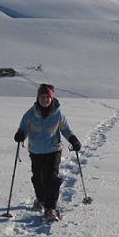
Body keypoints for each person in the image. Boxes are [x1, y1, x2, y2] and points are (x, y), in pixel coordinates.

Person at [14, 84, 81, 221]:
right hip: (36, 151)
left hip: (53, 150)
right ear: (38, 98)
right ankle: (40, 200)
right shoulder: (30, 114)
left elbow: (66, 129)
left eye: (47, 97)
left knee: (51, 178)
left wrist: (73, 139)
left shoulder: (58, 114)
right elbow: (23, 128)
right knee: (38, 178)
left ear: (52, 98)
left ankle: (50, 208)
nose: (44, 100)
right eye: (42, 97)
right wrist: (20, 135)